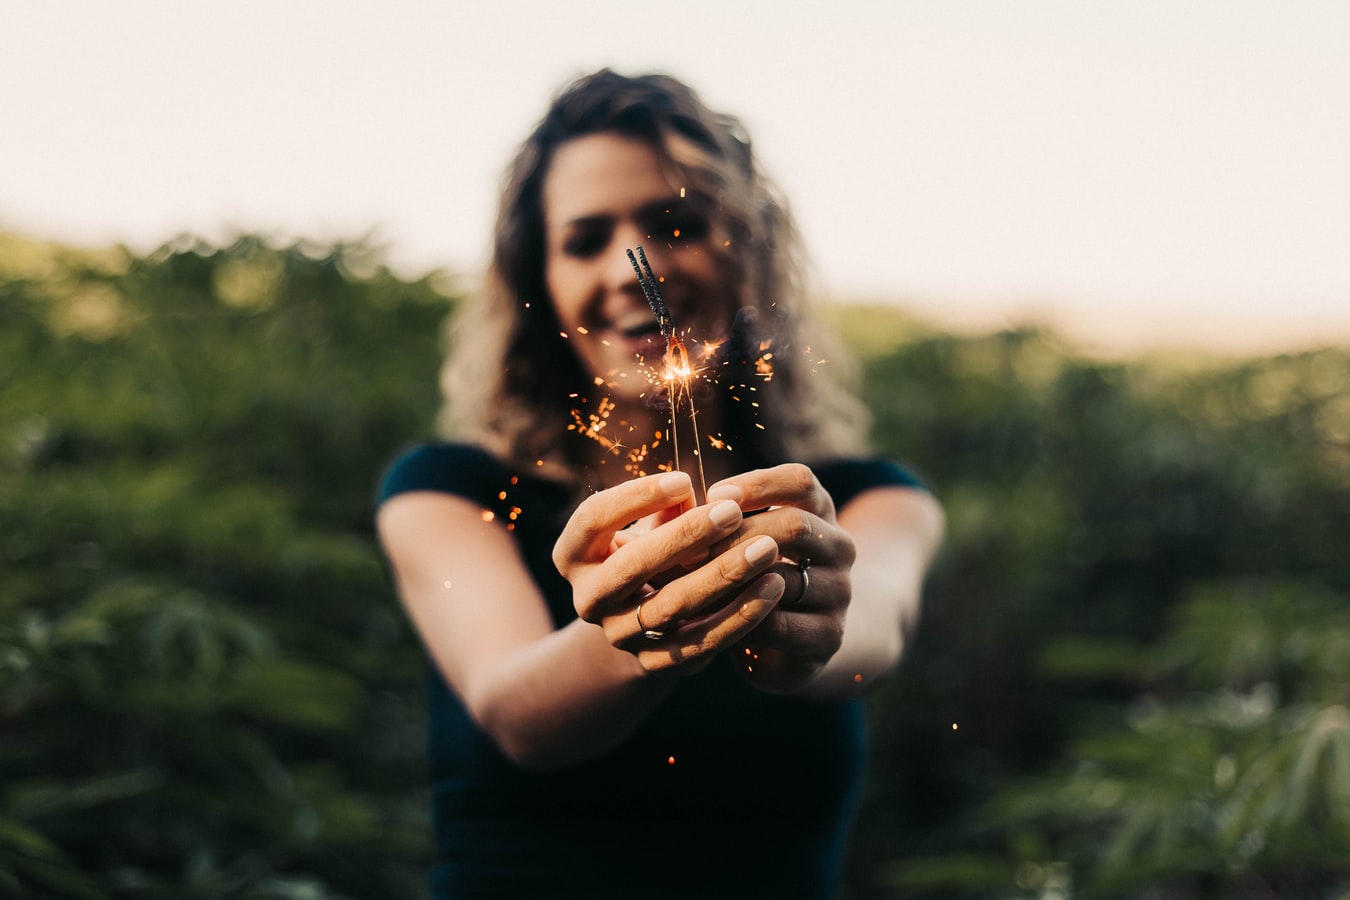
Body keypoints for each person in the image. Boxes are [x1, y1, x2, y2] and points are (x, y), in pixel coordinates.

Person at [375, 68, 944, 899]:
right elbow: (514, 713)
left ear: (748, 248)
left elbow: (870, 633)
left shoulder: (867, 496)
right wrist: (631, 631)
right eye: (582, 240)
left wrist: (800, 622)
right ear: (538, 283)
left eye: (676, 222)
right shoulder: (449, 491)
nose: (631, 267)